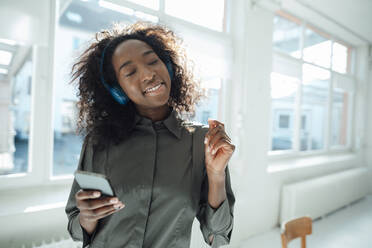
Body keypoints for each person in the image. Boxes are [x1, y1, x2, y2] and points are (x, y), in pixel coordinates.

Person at [65, 21, 235, 248]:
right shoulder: (98, 141)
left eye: (153, 61)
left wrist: (216, 175)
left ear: (168, 66)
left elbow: (218, 235)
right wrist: (86, 217)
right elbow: (76, 230)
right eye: (130, 71)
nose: (148, 73)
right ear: (118, 91)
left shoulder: (201, 142)